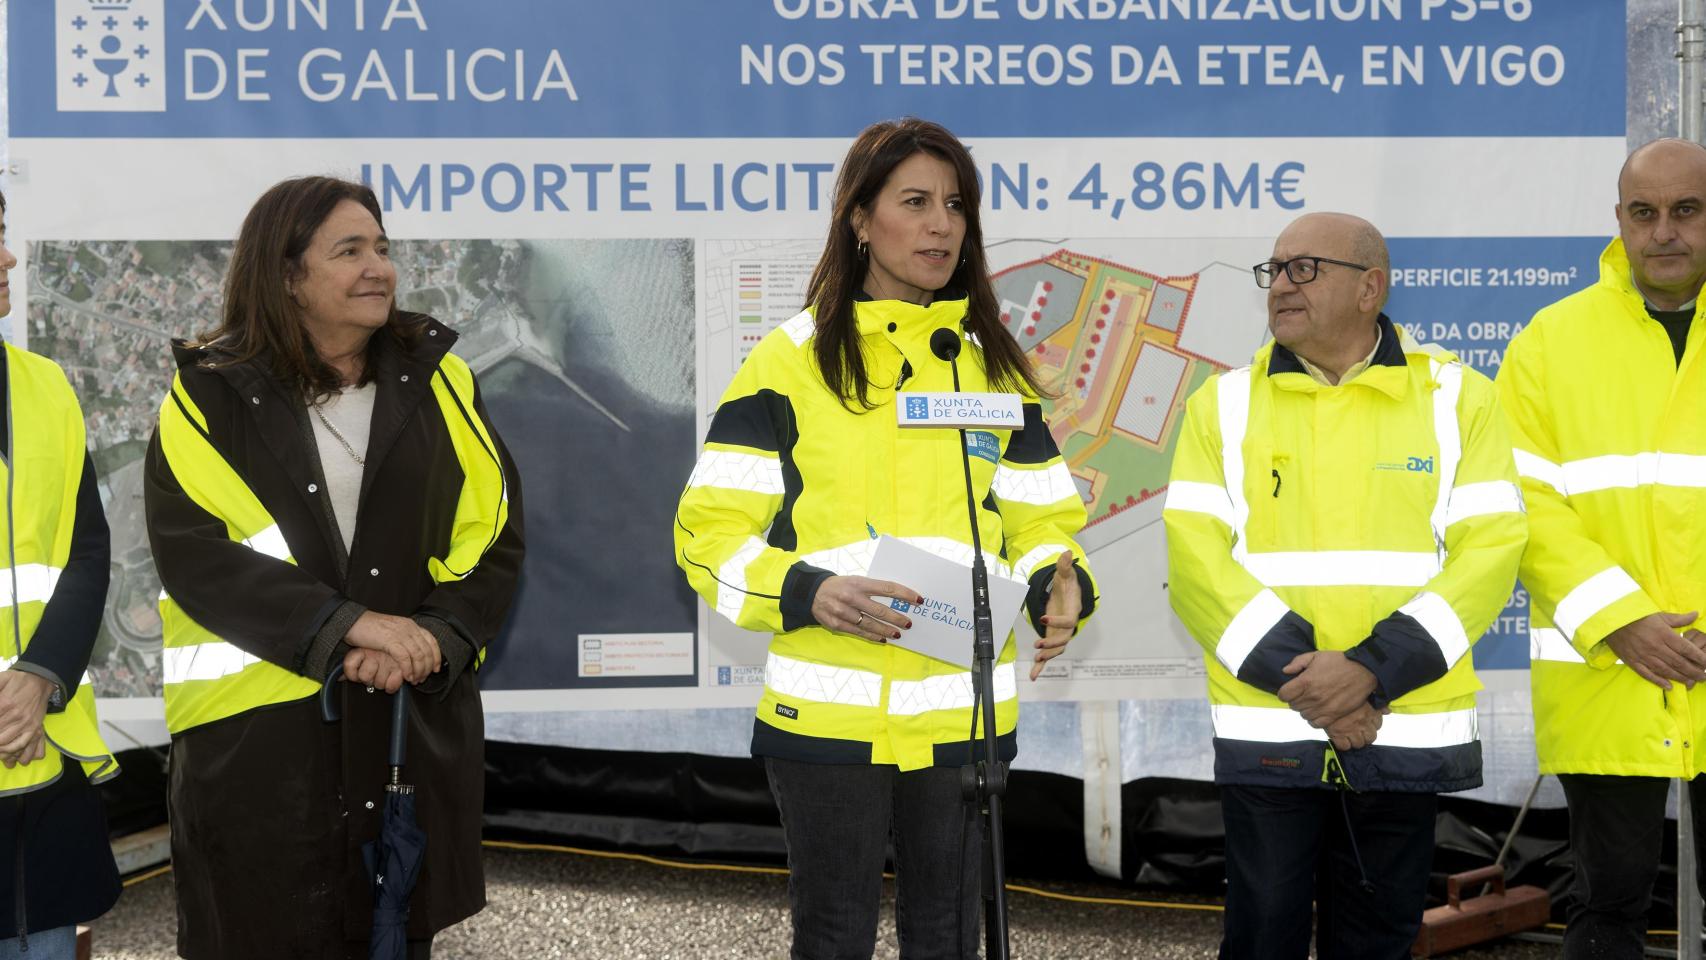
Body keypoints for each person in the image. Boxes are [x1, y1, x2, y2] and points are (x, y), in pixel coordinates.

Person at [674, 117, 1097, 958]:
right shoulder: (788, 365)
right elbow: (707, 535)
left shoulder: (994, 370)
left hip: (962, 716)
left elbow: (1045, 519)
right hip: (827, 720)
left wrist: (1063, 577)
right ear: (861, 220)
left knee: (947, 936)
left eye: (955, 205)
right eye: (915, 202)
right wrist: (808, 591)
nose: (941, 224)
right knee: (834, 937)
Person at [143, 176, 524, 959]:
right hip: (261, 755)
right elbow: (200, 554)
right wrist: (350, 630)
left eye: (381, 248)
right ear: (286, 275)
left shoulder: (441, 377)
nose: (377, 268)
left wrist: (435, 637)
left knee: (391, 937)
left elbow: (495, 536)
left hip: (402, 734)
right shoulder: (209, 394)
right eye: (348, 251)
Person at [1164, 212, 1526, 959]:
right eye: (1274, 269)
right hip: (1273, 724)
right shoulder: (1222, 404)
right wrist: (1314, 687)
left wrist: (1367, 673)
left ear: (1371, 288)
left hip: (1399, 728)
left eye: (1305, 268)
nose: (1281, 286)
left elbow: (1490, 553)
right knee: (1262, 938)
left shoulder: (1460, 398)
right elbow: (1197, 563)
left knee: (1377, 944)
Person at [1497, 138, 1706, 959]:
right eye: (1643, 213)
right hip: (1607, 673)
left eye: (1686, 210)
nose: (1664, 232)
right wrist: (1623, 620)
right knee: (1608, 901)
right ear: (1617, 220)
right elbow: (1523, 506)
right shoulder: (1551, 343)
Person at [0, 190, 121, 958]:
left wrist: (40, 675)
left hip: (42, 763)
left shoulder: (45, 384)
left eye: (1, 235)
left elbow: (87, 549)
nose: (8, 258)